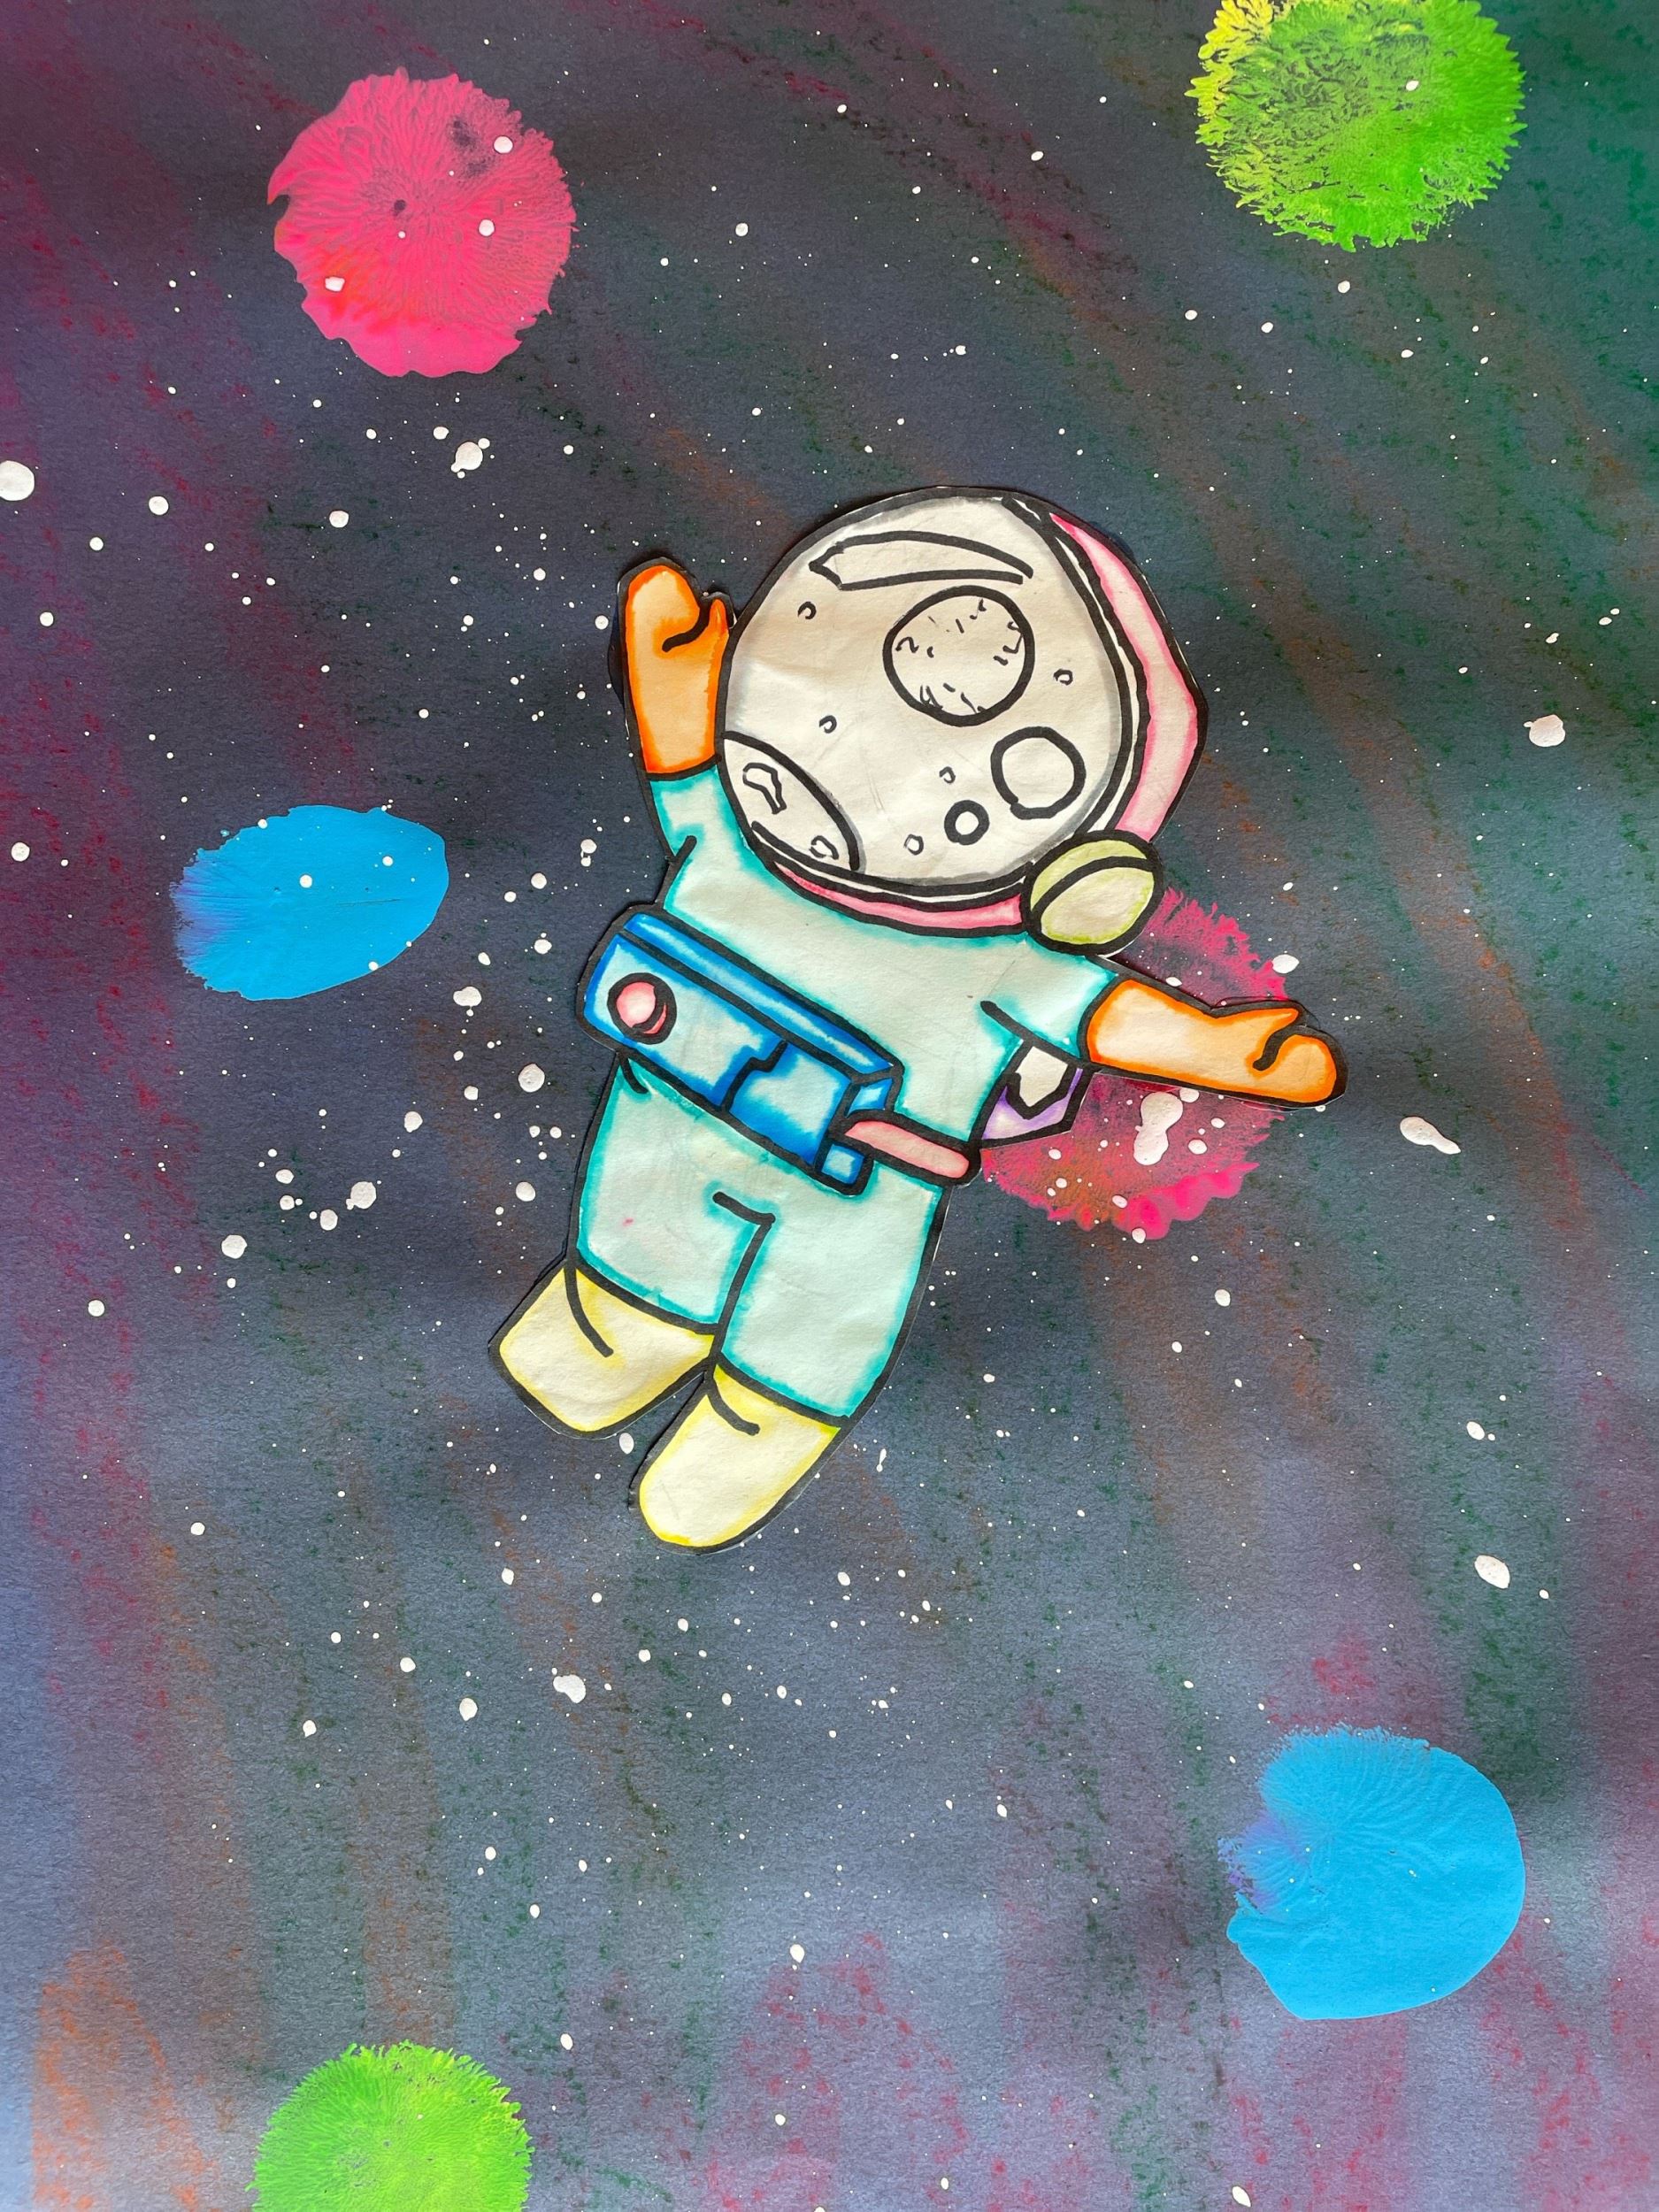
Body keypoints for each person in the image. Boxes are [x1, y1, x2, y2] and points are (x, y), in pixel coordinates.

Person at [493, 489, 1343, 1550]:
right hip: (675, 1118)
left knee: (812, 1320)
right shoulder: (738, 848)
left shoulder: (996, 960)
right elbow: (696, 771)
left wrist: (1217, 1046)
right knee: (639, 1248)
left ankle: (757, 1420)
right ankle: (606, 1327)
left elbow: (1095, 1011)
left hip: (860, 1187)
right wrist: (678, 681)